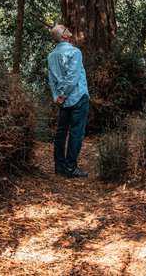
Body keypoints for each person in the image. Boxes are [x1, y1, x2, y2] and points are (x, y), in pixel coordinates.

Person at [47, 24, 90, 178]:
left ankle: (60, 167)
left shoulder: (51, 56)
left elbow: (51, 80)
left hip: (62, 100)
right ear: (64, 36)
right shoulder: (75, 52)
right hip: (78, 97)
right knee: (76, 132)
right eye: (65, 29)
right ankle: (71, 168)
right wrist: (63, 94)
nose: (67, 29)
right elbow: (72, 77)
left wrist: (56, 96)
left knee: (61, 132)